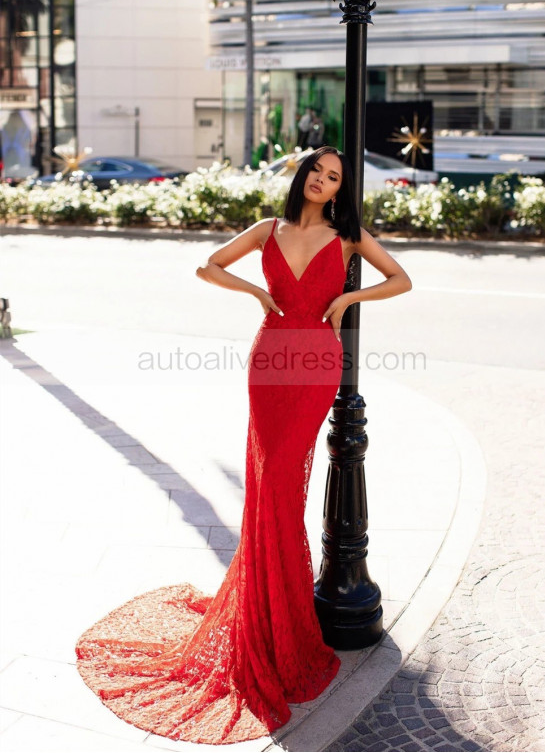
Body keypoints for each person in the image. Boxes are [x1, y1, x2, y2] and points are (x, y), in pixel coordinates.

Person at [75, 146, 412, 745]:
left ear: (339, 189)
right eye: (317, 170)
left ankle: (279, 617)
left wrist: (345, 300)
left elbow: (402, 279)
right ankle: (267, 613)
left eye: (334, 177)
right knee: (268, 485)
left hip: (315, 360)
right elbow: (209, 265)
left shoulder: (350, 234)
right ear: (303, 174)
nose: (323, 181)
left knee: (283, 485)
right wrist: (256, 296)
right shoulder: (267, 229)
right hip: (271, 357)